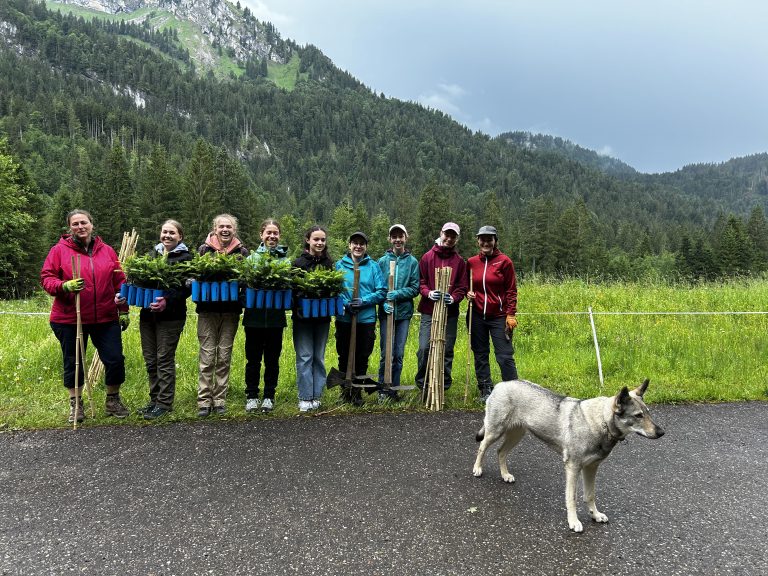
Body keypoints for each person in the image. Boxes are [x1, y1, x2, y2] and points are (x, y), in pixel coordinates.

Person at [41, 209, 130, 423]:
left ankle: (112, 400)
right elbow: (46, 278)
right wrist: (64, 286)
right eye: (75, 224)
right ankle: (76, 404)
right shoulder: (59, 251)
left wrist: (124, 310)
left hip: (106, 317)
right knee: (74, 362)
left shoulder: (107, 251)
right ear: (69, 227)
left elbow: (120, 282)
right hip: (70, 318)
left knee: (115, 359)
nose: (80, 227)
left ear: (91, 224)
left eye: (84, 223)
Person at [135, 220, 193, 419]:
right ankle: (154, 399)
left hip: (171, 317)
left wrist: (167, 300)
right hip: (147, 315)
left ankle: (165, 403)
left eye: (172, 233)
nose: (167, 235)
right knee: (151, 360)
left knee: (164, 359)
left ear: (180, 236)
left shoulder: (186, 258)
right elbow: (141, 281)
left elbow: (186, 288)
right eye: (164, 232)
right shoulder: (152, 256)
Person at [195, 213, 249, 417]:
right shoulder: (204, 250)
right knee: (207, 355)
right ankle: (203, 401)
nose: (225, 230)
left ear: (234, 230)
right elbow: (197, 274)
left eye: (229, 227)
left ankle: (219, 399)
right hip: (207, 310)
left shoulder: (241, 252)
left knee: (224, 355)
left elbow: (245, 279)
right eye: (221, 227)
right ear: (215, 229)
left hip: (230, 311)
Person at [466, 225, 519, 403]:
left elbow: (511, 290)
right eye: (483, 239)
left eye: (490, 239)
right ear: (478, 241)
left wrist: (510, 314)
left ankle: (513, 391)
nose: (486, 242)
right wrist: (468, 293)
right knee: (480, 353)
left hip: (499, 316)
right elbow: (467, 285)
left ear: (495, 241)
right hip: (477, 316)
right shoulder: (472, 262)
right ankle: (485, 389)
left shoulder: (505, 262)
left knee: (504, 356)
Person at [415, 222, 468, 392]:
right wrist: (428, 293)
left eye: (453, 236)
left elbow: (462, 287)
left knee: (446, 349)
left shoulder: (459, 262)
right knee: (424, 348)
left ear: (457, 239)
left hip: (450, 313)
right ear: (441, 233)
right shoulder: (427, 257)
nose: (449, 238)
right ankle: (423, 384)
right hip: (428, 311)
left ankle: (442, 387)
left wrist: (453, 298)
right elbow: (420, 282)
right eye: (447, 234)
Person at [335, 231, 386, 406]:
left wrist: (364, 301)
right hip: (345, 319)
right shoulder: (339, 266)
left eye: (361, 243)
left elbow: (381, 291)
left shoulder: (373, 266)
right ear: (349, 245)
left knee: (362, 356)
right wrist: (346, 304)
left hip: (366, 320)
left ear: (366, 247)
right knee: (344, 355)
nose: (358, 246)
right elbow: (335, 291)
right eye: (355, 243)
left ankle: (357, 392)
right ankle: (345, 391)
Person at [242, 219, 288, 414]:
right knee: (253, 359)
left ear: (279, 236)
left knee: (272, 359)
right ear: (261, 235)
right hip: (254, 318)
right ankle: (252, 395)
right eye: (268, 233)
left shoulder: (284, 260)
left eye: (275, 233)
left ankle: (269, 395)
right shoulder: (252, 259)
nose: (272, 236)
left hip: (276, 319)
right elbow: (244, 286)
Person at [292, 226, 335, 412]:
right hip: (302, 318)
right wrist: (299, 306)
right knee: (304, 356)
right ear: (308, 240)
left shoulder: (329, 264)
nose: (319, 243)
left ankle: (317, 395)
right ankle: (305, 396)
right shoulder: (298, 264)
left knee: (318, 356)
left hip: (322, 317)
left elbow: (334, 289)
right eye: (316, 239)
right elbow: (292, 291)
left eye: (322, 240)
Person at [376, 224, 419, 401]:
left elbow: (415, 288)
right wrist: (384, 300)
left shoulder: (412, 262)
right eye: (394, 236)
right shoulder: (382, 262)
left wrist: (398, 294)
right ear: (390, 239)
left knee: (398, 354)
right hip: (387, 312)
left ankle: (393, 389)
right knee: (387, 353)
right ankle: (382, 390)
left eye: (400, 236)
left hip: (403, 314)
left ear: (405, 238)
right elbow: (378, 287)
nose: (397, 239)